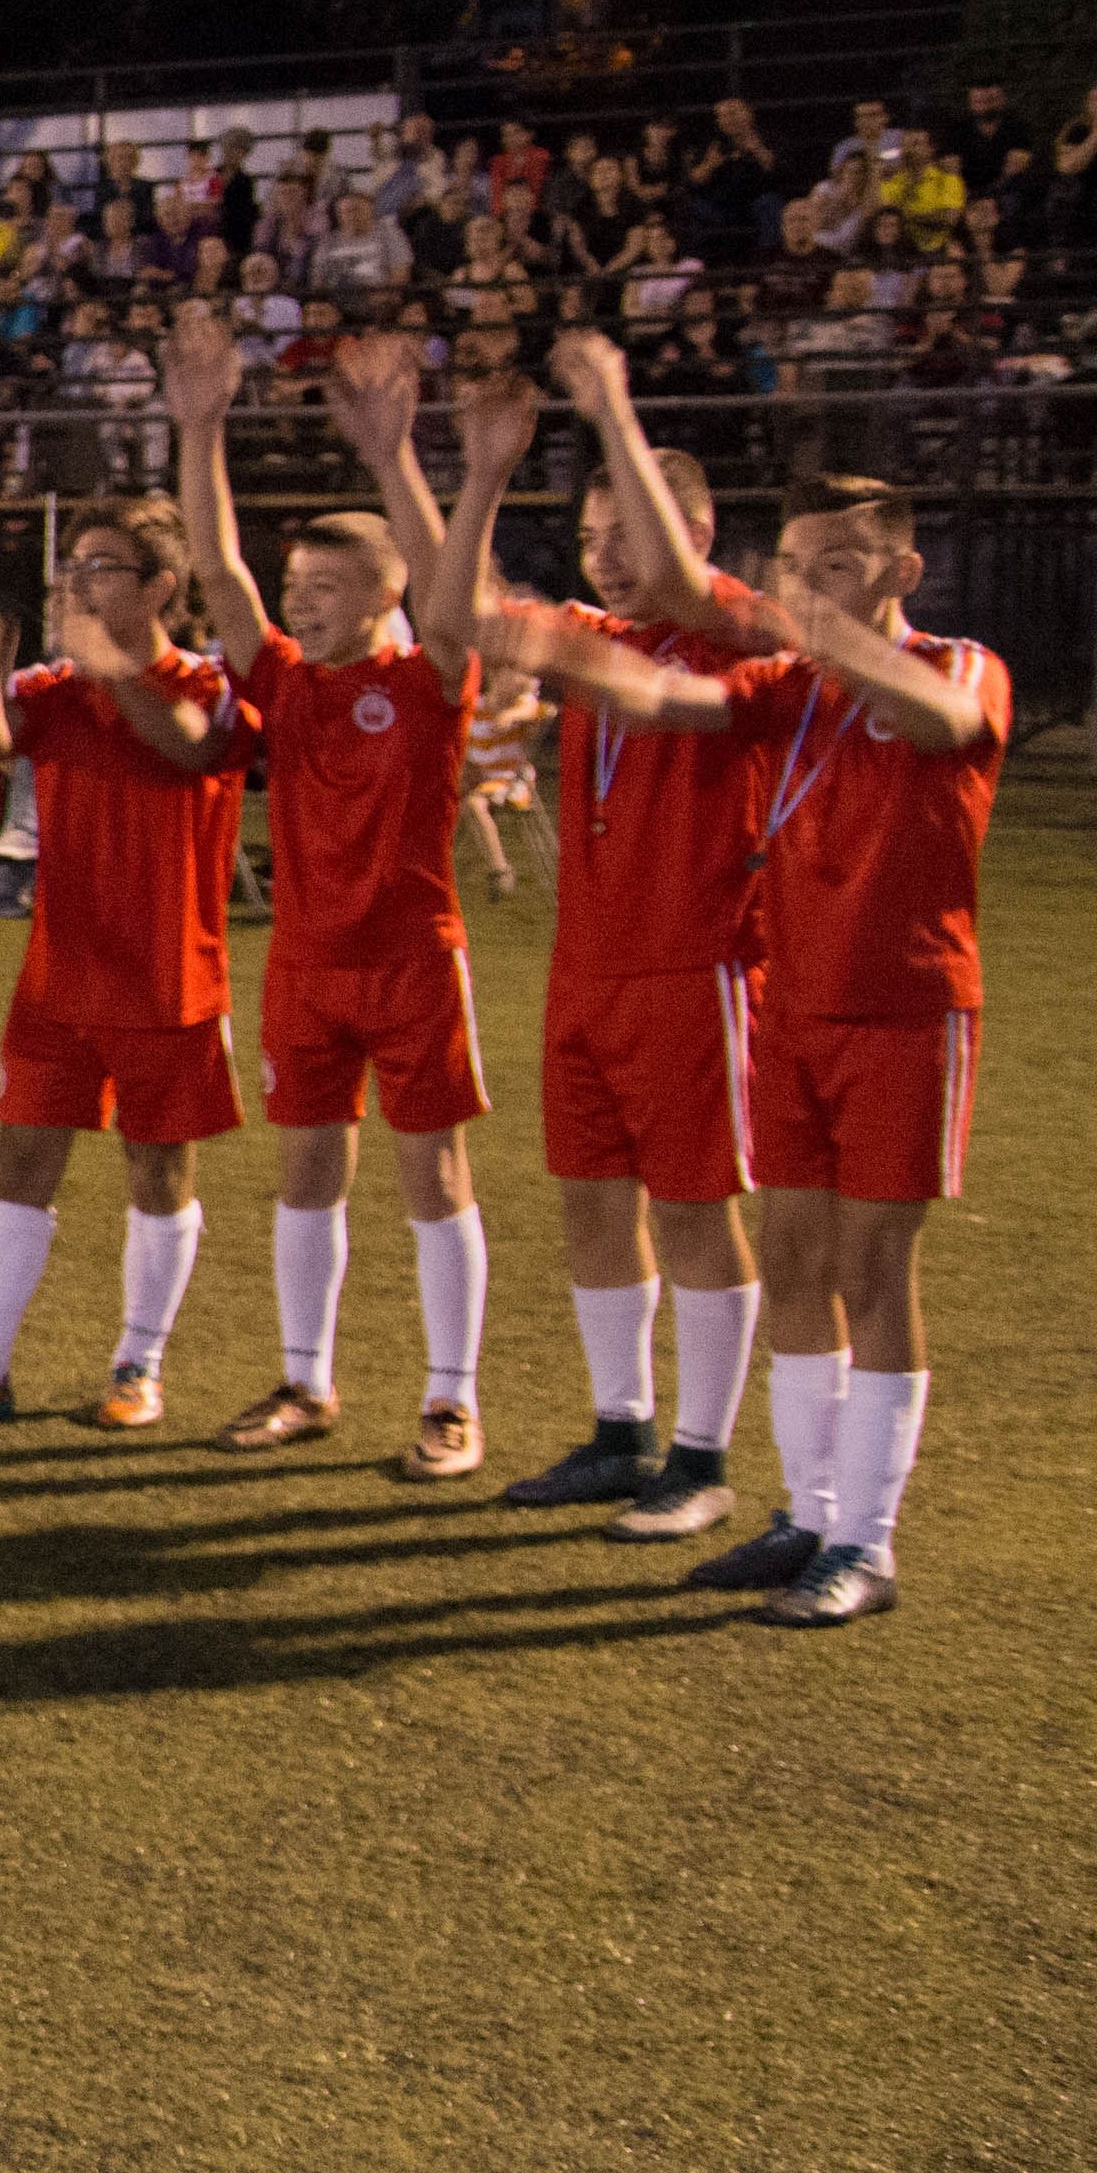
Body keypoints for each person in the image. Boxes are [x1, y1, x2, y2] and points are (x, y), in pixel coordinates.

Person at [491, 370, 1011, 1624]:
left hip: (904, 1007)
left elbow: (939, 720)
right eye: (796, 561)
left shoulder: (960, 666)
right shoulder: (790, 691)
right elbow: (677, 692)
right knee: (789, 1257)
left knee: (871, 1266)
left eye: (840, 561)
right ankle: (809, 1513)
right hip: (793, 1008)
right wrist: (561, 655)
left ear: (903, 569)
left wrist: (807, 623)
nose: (810, 581)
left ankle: (867, 1545)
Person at [415, 332, 772, 1535]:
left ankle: (704, 1457)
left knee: (691, 1206)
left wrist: (613, 410)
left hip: (698, 962)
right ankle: (621, 1428)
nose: (611, 561)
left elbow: (677, 587)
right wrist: (483, 477)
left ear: (697, 532)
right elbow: (454, 610)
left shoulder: (732, 631)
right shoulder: (603, 641)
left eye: (633, 534)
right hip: (593, 965)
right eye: (595, 539)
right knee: (590, 1197)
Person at [183, 321, 497, 1472]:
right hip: (308, 965)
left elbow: (459, 600)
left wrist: (392, 456)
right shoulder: (283, 680)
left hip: (415, 957)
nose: (301, 602)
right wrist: (202, 420)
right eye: (297, 584)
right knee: (307, 1169)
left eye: (326, 586)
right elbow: (217, 570)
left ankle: (450, 1400)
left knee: (435, 1173)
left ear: (386, 591)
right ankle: (306, 1381)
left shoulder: (427, 683)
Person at [0, 493, 247, 1431]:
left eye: (100, 568)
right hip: (61, 972)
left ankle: (139, 1366)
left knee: (158, 1171)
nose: (78, 585)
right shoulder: (57, 690)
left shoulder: (210, 683)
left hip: (169, 974)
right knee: (21, 1159)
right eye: (74, 570)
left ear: (161, 587)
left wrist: (114, 669)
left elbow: (192, 752)